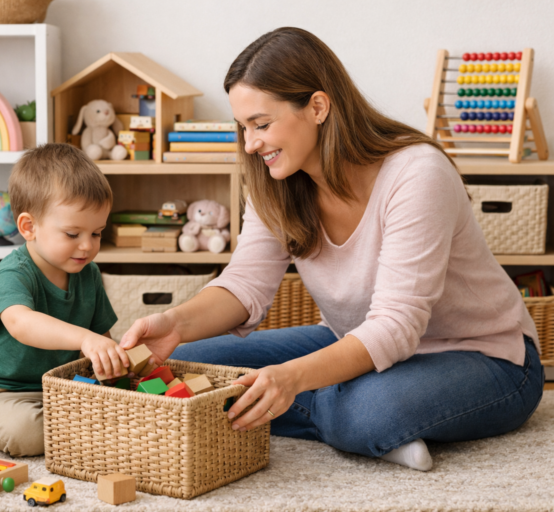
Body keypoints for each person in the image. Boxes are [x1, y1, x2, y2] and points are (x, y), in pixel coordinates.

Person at [119, 27, 544, 471]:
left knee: (366, 411)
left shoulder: (417, 174)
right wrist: (176, 323)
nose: (250, 143)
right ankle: (357, 425)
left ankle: (358, 422)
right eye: (243, 127)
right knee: (187, 365)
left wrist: (293, 378)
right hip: (353, 340)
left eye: (262, 124)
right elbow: (244, 284)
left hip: (487, 358)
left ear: (318, 106)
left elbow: (397, 326)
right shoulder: (276, 181)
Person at [0, 144, 129, 456]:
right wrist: (85, 339)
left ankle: (76, 424)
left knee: (123, 406)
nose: (87, 247)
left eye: (97, 233)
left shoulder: (88, 274)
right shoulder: (13, 273)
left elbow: (101, 336)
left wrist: (111, 365)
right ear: (29, 227)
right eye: (73, 234)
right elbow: (23, 323)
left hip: (62, 387)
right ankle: (64, 427)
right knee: (28, 433)